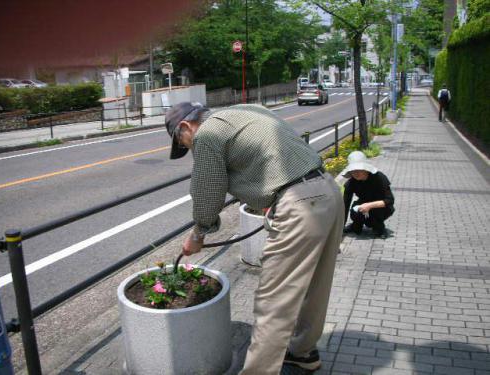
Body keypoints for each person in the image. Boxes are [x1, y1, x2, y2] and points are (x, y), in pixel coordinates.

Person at [165, 102, 344, 374]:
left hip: (300, 203)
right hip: (328, 191)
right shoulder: (244, 111)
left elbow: (207, 191)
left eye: (183, 143)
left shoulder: (207, 134)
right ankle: (302, 352)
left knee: (273, 301)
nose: (190, 148)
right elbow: (269, 155)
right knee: (316, 286)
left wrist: (198, 234)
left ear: (186, 127)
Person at [342, 151, 394, 239]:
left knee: (374, 215)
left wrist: (369, 205)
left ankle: (379, 228)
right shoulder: (350, 183)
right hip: (363, 205)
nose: (356, 173)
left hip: (381, 208)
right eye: (353, 171)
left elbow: (390, 200)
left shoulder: (379, 178)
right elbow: (345, 205)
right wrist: (340, 226)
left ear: (366, 168)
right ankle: (356, 226)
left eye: (359, 170)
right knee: (355, 210)